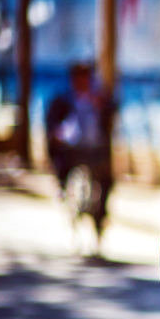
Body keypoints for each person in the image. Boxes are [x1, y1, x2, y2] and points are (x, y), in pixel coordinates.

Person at [44, 62, 116, 241]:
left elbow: (112, 114)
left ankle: (100, 219)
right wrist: (56, 135)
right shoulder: (63, 100)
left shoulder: (98, 98)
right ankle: (62, 189)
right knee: (64, 169)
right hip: (71, 150)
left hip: (95, 150)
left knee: (106, 181)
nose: (82, 81)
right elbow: (52, 124)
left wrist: (101, 106)